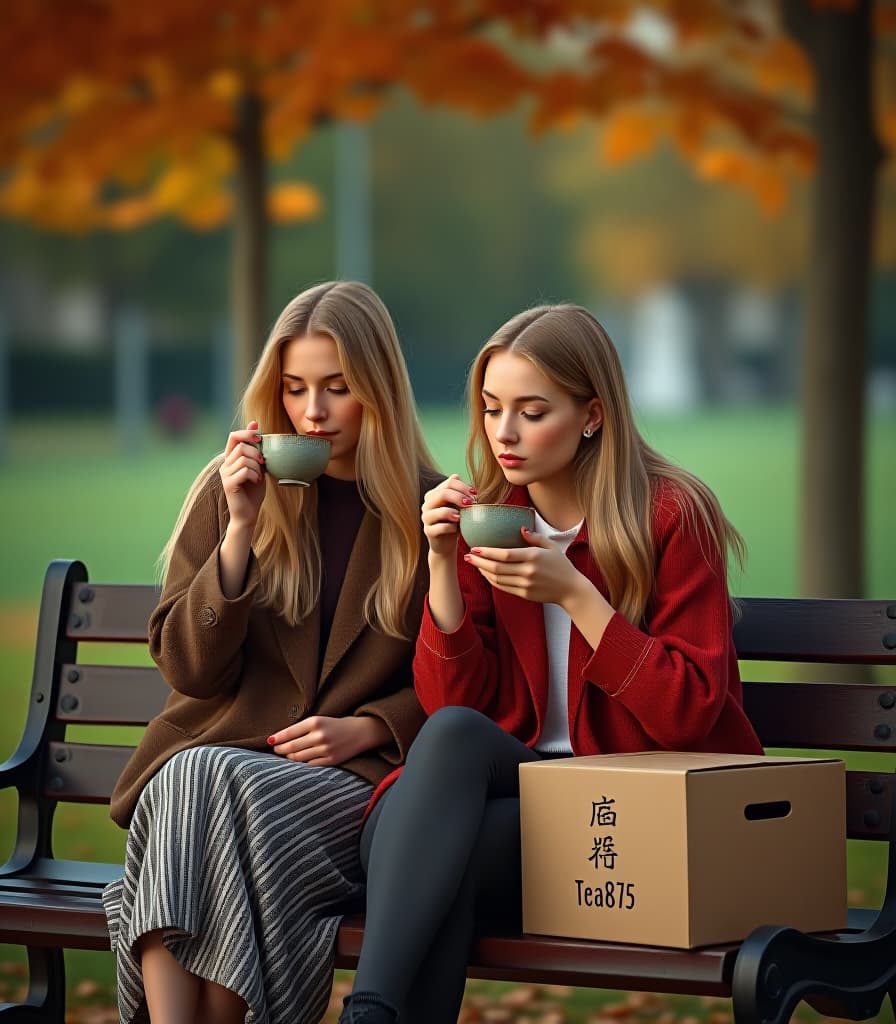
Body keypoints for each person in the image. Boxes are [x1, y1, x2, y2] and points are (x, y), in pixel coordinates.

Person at [338, 303, 764, 1024]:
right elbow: (452, 711)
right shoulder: (493, 519)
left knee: (445, 856)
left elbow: (690, 709)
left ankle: (369, 1011)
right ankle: (372, 1012)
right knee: (447, 758)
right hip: (504, 799)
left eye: (532, 412)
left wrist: (577, 596)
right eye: (492, 408)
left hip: (636, 816)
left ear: (592, 415)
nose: (503, 433)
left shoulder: (669, 515)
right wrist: (441, 563)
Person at [102, 281, 441, 1024]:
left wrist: (374, 727)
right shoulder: (234, 493)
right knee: (201, 777)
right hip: (223, 779)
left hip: (350, 787)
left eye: (336, 389)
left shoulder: (430, 511)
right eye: (293, 389)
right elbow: (190, 672)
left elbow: (469, 681)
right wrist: (239, 536)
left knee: (207, 784)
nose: (311, 412)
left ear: (379, 390)